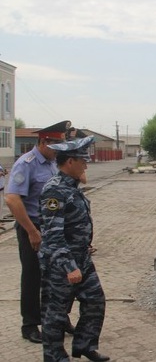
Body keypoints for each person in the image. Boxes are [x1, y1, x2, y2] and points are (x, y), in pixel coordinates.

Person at [38, 136, 110, 362]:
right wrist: (70, 267)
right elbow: (53, 236)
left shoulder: (72, 187)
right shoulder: (55, 191)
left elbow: (75, 224)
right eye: (82, 160)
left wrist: (84, 245)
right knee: (56, 312)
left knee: (95, 301)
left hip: (82, 258)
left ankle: (85, 345)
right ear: (70, 162)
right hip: (61, 264)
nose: (86, 164)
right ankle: (54, 356)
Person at [5, 120, 72, 344]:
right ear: (44, 142)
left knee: (57, 276)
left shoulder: (53, 163)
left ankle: (58, 318)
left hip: (52, 229)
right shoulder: (27, 163)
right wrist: (32, 231)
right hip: (32, 228)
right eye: (56, 146)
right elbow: (12, 199)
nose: (59, 151)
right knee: (33, 277)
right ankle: (30, 324)